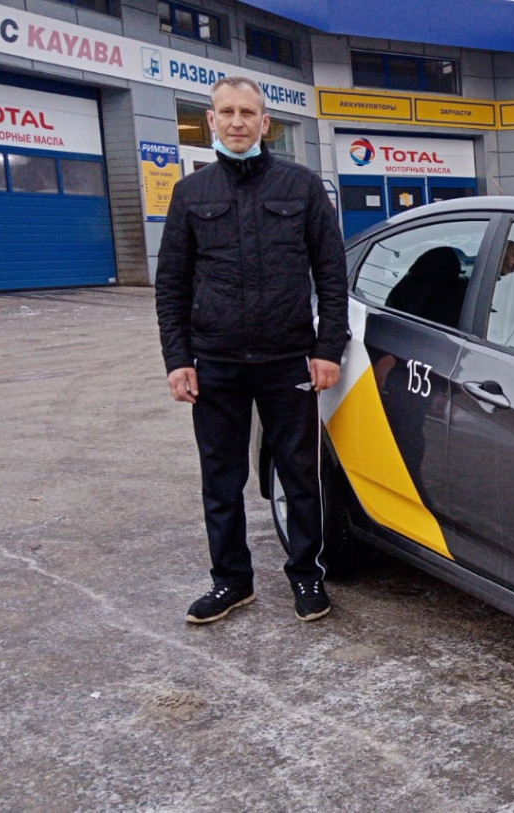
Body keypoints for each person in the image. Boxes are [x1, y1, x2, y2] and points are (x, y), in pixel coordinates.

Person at [155, 76, 349, 625]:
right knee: (221, 478)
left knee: (299, 474)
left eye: (248, 112)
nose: (237, 121)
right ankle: (232, 581)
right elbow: (171, 284)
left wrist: (327, 347)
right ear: (210, 121)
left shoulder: (302, 187)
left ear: (267, 123)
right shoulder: (191, 194)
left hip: (289, 360)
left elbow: (331, 275)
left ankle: (307, 575)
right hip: (214, 362)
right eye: (226, 112)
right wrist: (178, 359)